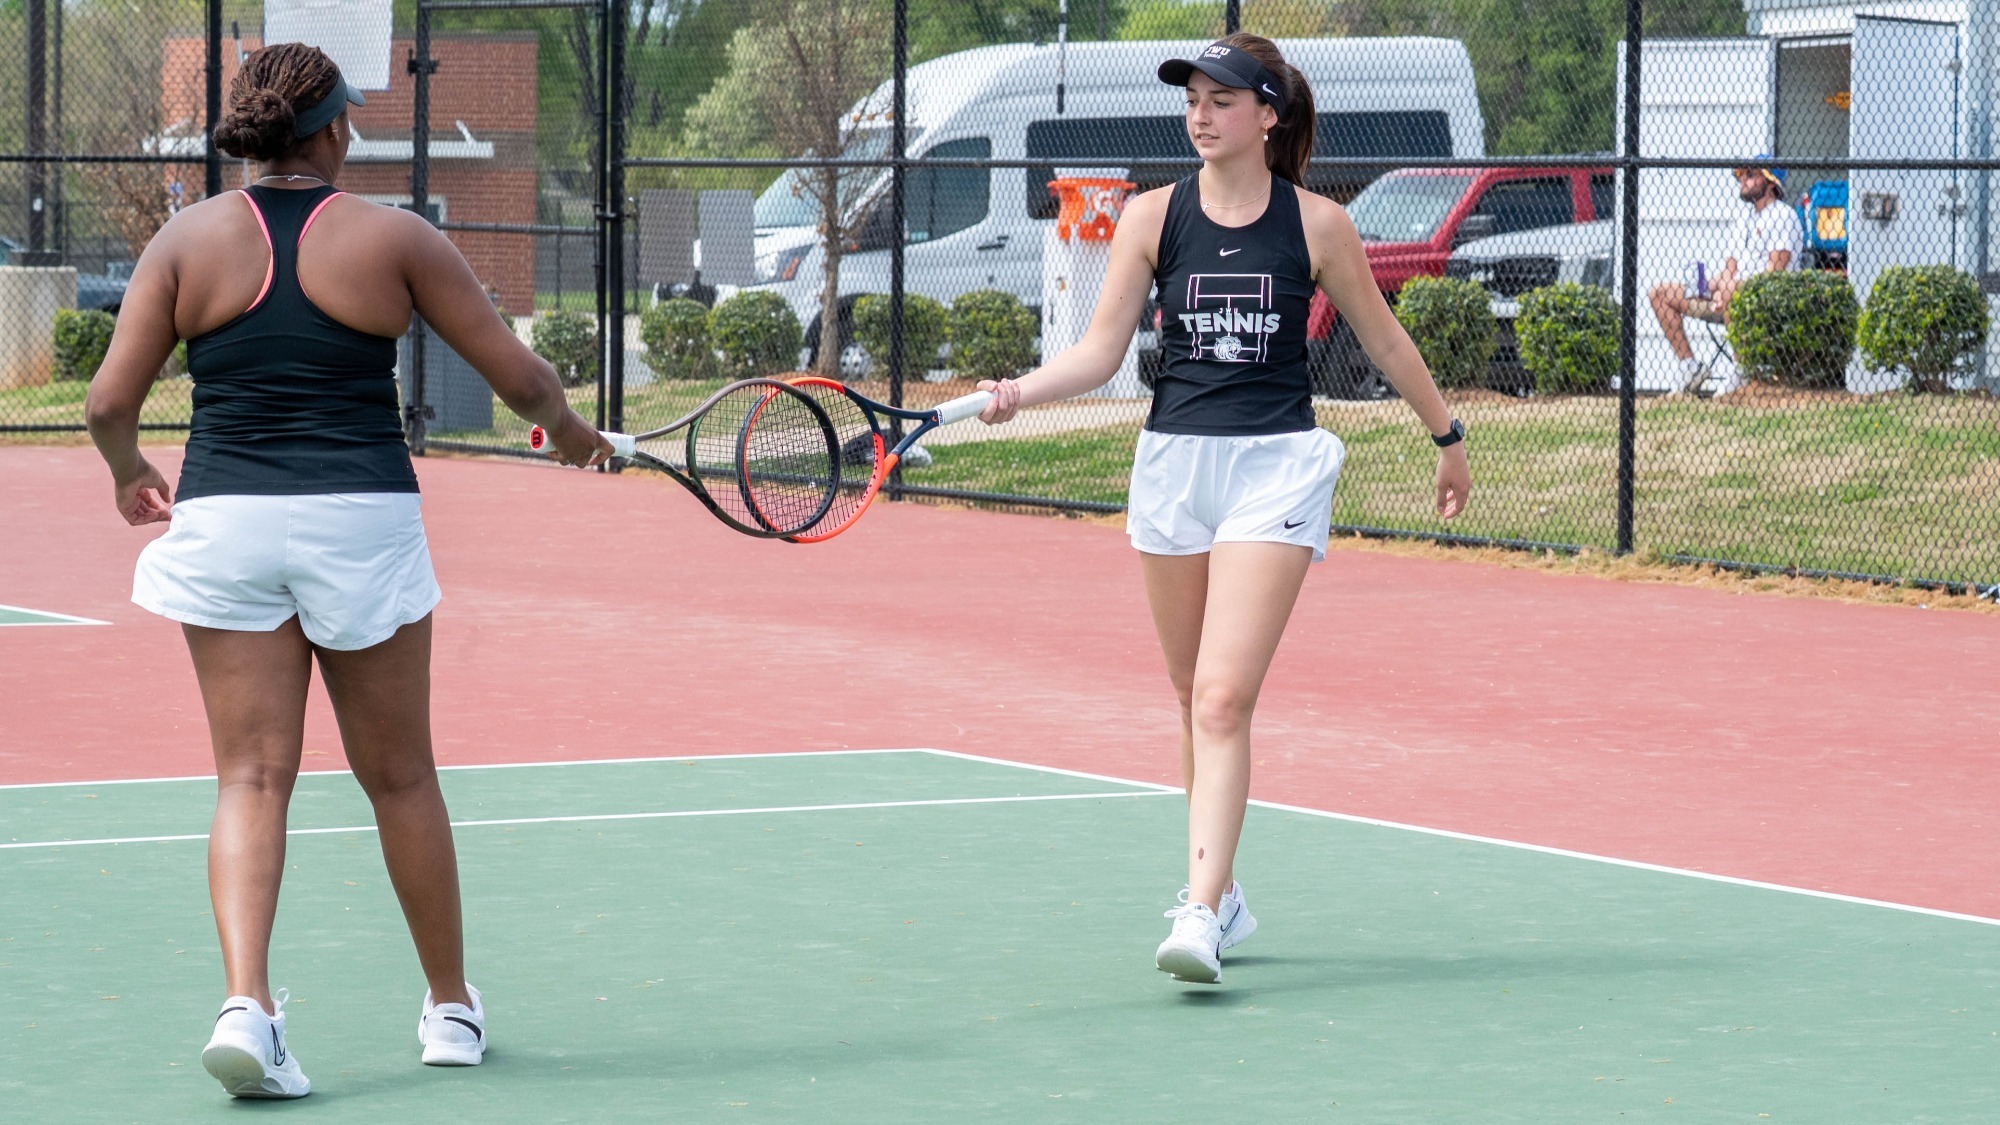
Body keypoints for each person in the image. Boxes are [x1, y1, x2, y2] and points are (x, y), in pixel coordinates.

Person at [83, 43, 610, 1098]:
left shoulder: (185, 241)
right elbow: (519, 376)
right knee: (401, 775)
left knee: (250, 777)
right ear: (332, 131)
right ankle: (450, 1009)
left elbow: (105, 402)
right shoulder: (396, 237)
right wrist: (573, 430)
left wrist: (128, 469)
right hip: (358, 520)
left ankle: (248, 1008)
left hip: (225, 516)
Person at [973, 34, 1471, 984]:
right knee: (1189, 698)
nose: (1200, 115)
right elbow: (1099, 352)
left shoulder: (1320, 226)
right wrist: (1020, 391)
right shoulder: (1151, 219)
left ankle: (1199, 910)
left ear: (1267, 117)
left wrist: (1446, 438)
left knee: (1223, 695)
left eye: (1222, 100)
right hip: (1173, 467)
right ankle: (1226, 888)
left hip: (1274, 467)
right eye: (1192, 99)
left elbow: (1387, 340)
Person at [1648, 158, 1804, 394]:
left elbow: (1775, 273)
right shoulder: (1742, 220)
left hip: (1765, 298)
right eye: (1741, 174)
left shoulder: (1784, 216)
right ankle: (1689, 367)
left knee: (1731, 289)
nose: (1742, 179)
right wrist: (1706, 287)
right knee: (1660, 293)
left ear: (1770, 182)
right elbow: (1729, 270)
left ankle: (1742, 370)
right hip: (1729, 295)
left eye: (1750, 174)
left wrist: (1730, 289)